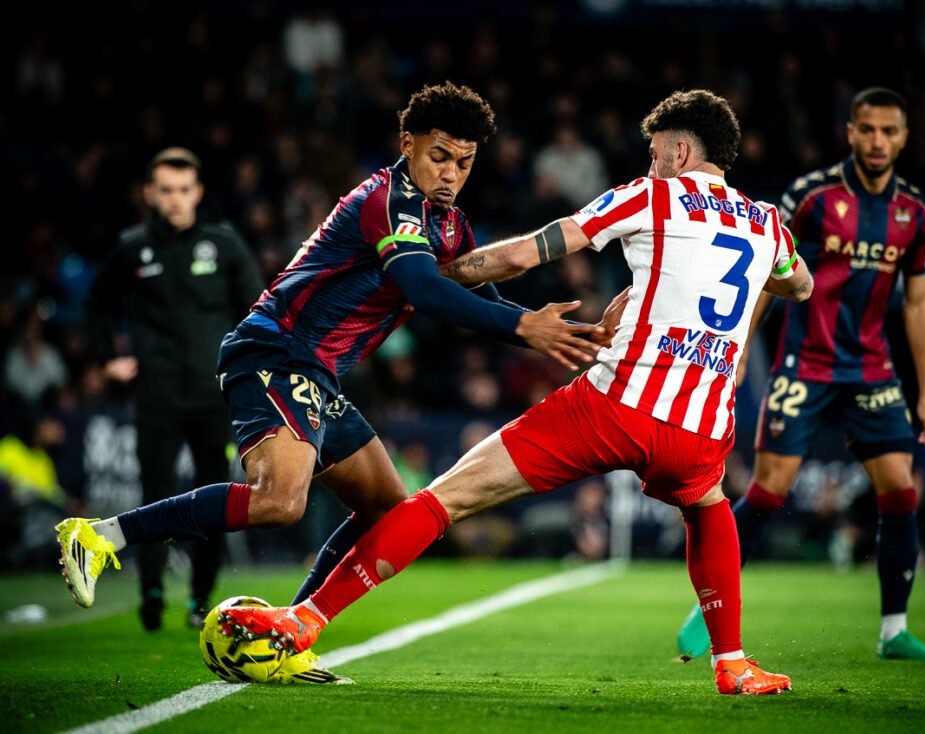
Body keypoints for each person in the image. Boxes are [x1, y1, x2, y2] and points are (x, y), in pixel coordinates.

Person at [218, 89, 814, 695]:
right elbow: (801, 285)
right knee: (708, 505)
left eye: (656, 153)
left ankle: (306, 618)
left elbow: (529, 252)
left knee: (445, 498)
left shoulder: (651, 195)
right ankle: (732, 662)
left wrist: (442, 273)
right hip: (701, 423)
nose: (651, 163)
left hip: (616, 403)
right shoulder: (768, 224)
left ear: (680, 152)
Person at [55, 82, 604, 683]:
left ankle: (286, 632)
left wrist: (568, 333)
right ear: (407, 144)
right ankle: (100, 536)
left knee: (390, 510)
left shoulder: (447, 223)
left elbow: (480, 297)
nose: (451, 174)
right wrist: (523, 325)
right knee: (279, 501)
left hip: (317, 373)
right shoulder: (386, 200)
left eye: (465, 162)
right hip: (275, 350)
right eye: (440, 156)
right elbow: (424, 289)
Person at [676, 86, 925, 663]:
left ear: (904, 137)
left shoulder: (915, 213)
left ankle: (894, 631)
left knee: (900, 490)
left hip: (871, 368)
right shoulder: (812, 196)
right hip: (805, 364)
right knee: (768, 491)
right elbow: (768, 270)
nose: (877, 141)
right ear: (850, 132)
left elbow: (919, 302)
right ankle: (709, 604)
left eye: (889, 131)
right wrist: (738, 348)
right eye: (867, 129)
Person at [85, 147, 263, 630]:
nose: (175, 199)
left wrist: (248, 370)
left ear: (198, 192)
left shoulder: (224, 244)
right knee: (154, 495)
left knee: (215, 498)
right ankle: (152, 593)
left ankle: (201, 599)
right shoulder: (133, 247)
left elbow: (257, 307)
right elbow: (98, 305)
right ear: (149, 193)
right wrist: (107, 359)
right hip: (156, 395)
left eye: (184, 190)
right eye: (166, 190)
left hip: (213, 395)